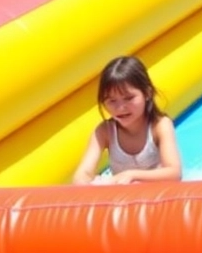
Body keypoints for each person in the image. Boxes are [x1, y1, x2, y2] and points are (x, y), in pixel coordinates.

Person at [72, 55, 183, 185]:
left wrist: (131, 175)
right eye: (112, 101)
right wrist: (88, 182)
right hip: (126, 200)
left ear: (147, 93)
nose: (120, 108)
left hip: (158, 198)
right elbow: (82, 175)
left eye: (129, 98)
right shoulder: (105, 131)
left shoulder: (159, 125)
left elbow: (174, 173)